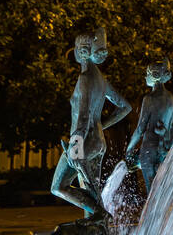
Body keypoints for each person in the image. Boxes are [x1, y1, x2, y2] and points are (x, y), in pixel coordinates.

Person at [50, 28, 130, 217]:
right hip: (98, 142)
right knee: (90, 191)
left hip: (84, 142)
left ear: (81, 51)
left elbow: (84, 116)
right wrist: (101, 126)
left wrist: (75, 147)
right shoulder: (101, 80)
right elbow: (125, 107)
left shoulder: (85, 78)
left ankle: (100, 215)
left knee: (58, 186)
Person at [125, 59, 173, 195]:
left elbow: (140, 128)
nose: (145, 77)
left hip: (149, 149)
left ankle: (151, 216)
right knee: (160, 190)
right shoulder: (171, 98)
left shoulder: (149, 98)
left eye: (147, 73)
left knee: (151, 191)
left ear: (154, 76)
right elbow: (170, 125)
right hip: (164, 149)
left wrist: (129, 149)